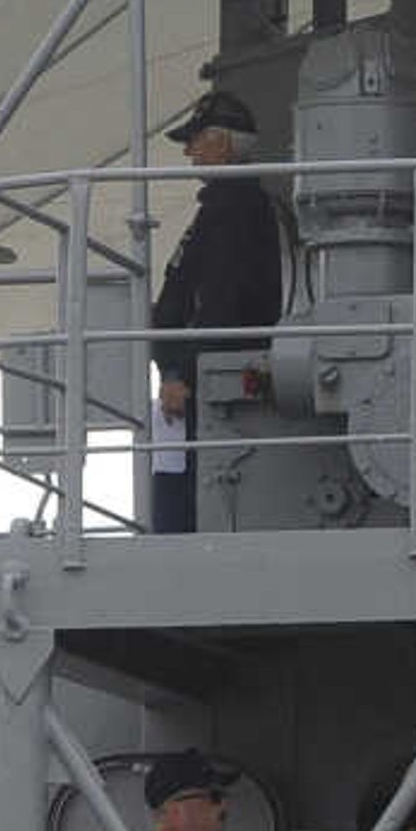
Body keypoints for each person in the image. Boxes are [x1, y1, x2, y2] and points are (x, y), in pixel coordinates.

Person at [146, 88, 281, 535]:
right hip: (197, 373)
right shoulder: (224, 208)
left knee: (179, 502)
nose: (189, 150)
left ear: (221, 143)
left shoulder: (235, 210)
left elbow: (223, 300)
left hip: (206, 380)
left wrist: (181, 372)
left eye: (196, 139)